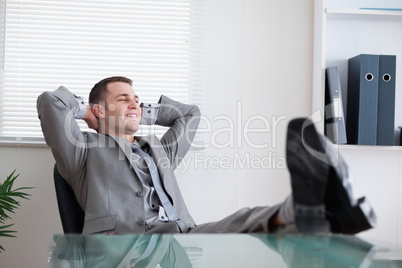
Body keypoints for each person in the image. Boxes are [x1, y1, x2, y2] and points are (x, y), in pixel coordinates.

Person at [37, 76, 376, 235]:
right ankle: (329, 214)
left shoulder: (161, 149)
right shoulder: (81, 151)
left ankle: (325, 207)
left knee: (247, 217)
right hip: (121, 249)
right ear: (99, 108)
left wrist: (144, 112)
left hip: (182, 238)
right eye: (124, 98)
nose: (135, 103)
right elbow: (50, 103)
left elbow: (190, 115)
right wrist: (87, 112)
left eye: (137, 98)